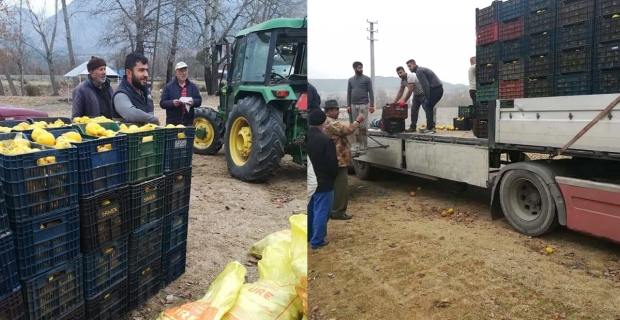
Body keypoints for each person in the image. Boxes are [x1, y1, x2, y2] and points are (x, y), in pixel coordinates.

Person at [322, 99, 364, 220]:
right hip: (338, 159)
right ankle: (338, 212)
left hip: (333, 159)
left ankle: (332, 210)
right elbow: (347, 130)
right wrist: (357, 121)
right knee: (341, 187)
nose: (338, 112)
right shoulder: (331, 122)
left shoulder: (325, 122)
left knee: (333, 186)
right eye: (336, 110)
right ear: (329, 111)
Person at [307, 109, 339, 250]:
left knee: (311, 209)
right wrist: (334, 176)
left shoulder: (306, 137)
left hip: (310, 180)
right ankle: (317, 240)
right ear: (323, 122)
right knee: (322, 211)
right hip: (324, 181)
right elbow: (332, 163)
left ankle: (308, 236)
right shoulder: (326, 140)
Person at [112, 52, 160, 125]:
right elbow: (131, 113)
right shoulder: (120, 94)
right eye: (141, 70)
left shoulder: (145, 92)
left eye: (146, 70)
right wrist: (154, 119)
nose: (146, 74)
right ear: (129, 73)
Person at [406, 59, 444, 134]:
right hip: (437, 89)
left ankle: (430, 128)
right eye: (408, 67)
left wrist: (427, 97)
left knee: (428, 106)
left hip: (435, 89)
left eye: (410, 66)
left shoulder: (419, 72)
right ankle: (430, 127)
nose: (409, 68)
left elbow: (425, 85)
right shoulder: (420, 70)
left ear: (414, 64)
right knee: (428, 106)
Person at [346, 61, 375, 152]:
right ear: (354, 68)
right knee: (354, 125)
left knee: (363, 126)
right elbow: (348, 93)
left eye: (362, 67)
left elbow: (370, 92)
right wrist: (348, 105)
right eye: (359, 68)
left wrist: (372, 105)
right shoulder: (350, 80)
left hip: (364, 104)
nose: (361, 69)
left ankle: (364, 145)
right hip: (353, 104)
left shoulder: (366, 79)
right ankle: (356, 145)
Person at [393, 66, 425, 132]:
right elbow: (400, 91)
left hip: (423, 94)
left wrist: (404, 101)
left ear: (404, 71)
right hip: (416, 95)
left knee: (427, 109)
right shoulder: (403, 81)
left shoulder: (410, 76)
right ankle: (413, 127)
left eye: (401, 72)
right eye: (398, 73)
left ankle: (431, 127)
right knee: (413, 111)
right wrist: (395, 102)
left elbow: (410, 90)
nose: (400, 75)